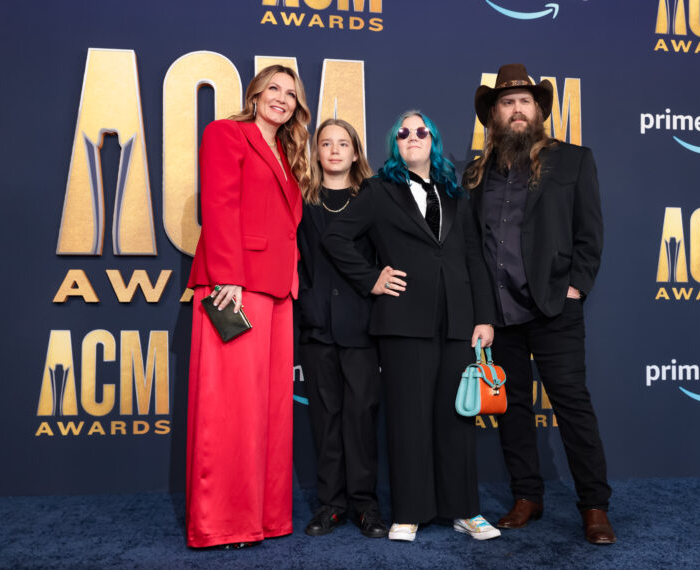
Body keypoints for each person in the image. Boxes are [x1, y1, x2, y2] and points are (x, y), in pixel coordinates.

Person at [322, 111, 500, 542]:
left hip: (458, 321)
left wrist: (484, 316)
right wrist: (371, 279)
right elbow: (335, 238)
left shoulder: (458, 194)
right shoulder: (380, 192)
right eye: (403, 132)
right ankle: (410, 511)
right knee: (408, 419)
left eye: (422, 131)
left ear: (434, 141)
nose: (413, 136)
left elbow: (474, 258)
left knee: (457, 418)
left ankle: (464, 511)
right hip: (403, 321)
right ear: (395, 145)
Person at [461, 63, 615, 545]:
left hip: (554, 310)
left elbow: (590, 234)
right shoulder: (476, 174)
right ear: (494, 116)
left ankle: (594, 505)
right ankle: (527, 496)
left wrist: (576, 288)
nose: (517, 109)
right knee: (513, 411)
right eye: (507, 102)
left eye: (525, 101)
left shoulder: (574, 160)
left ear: (539, 110)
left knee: (572, 405)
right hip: (500, 316)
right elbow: (473, 247)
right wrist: (482, 312)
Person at [185, 65, 311, 549]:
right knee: (231, 409)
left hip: (278, 292)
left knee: (270, 413)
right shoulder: (226, 134)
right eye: (273, 89)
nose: (281, 98)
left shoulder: (286, 152)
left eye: (290, 94)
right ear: (254, 94)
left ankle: (264, 517)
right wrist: (228, 279)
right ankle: (223, 522)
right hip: (234, 288)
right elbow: (219, 206)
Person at [296, 118, 386, 539]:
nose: (334, 150)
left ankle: (366, 506)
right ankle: (331, 504)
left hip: (362, 326)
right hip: (317, 328)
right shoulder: (301, 200)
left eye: (343, 143)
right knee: (325, 421)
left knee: (360, 419)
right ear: (316, 153)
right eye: (325, 143)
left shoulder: (373, 198)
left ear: (355, 153)